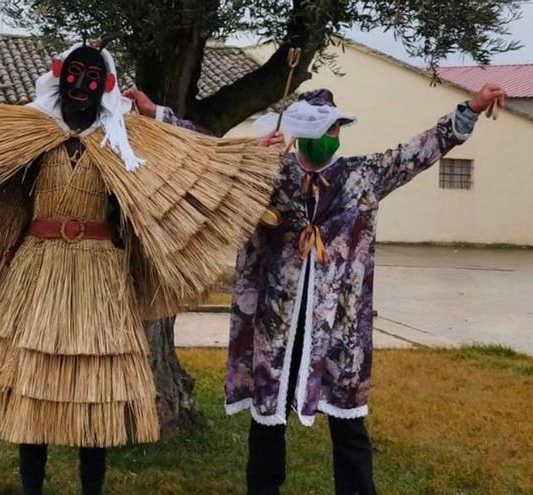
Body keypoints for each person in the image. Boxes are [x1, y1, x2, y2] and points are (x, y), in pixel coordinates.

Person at [0, 39, 279, 495]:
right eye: (73, 74)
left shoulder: (126, 138)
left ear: (105, 85)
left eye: (92, 77)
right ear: (58, 76)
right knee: (33, 383)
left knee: (95, 390)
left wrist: (253, 153)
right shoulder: (28, 128)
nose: (80, 85)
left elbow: (196, 159)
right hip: (38, 270)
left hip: (100, 274)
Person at [125, 83, 508, 494]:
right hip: (277, 326)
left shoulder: (362, 178)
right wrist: (156, 114)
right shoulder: (268, 172)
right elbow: (209, 152)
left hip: (338, 329)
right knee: (267, 426)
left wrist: (471, 108)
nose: (330, 138)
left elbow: (417, 153)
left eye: (335, 130)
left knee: (348, 426)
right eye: (323, 130)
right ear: (301, 134)